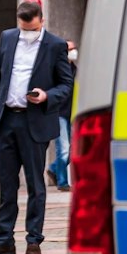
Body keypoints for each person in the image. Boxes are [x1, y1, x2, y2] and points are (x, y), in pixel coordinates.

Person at [0, 0, 74, 254]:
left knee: (35, 185)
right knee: (7, 185)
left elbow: (66, 84)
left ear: (42, 21)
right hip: (7, 118)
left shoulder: (55, 45)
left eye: (31, 29)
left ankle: (34, 240)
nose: (27, 33)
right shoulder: (8, 38)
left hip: (35, 121)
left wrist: (46, 96)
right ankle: (4, 240)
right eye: (23, 29)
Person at [47, 43, 78, 191]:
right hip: (59, 113)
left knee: (74, 148)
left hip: (72, 113)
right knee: (64, 148)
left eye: (74, 48)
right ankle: (62, 182)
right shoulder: (55, 70)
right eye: (70, 50)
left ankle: (53, 168)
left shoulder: (76, 70)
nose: (73, 52)